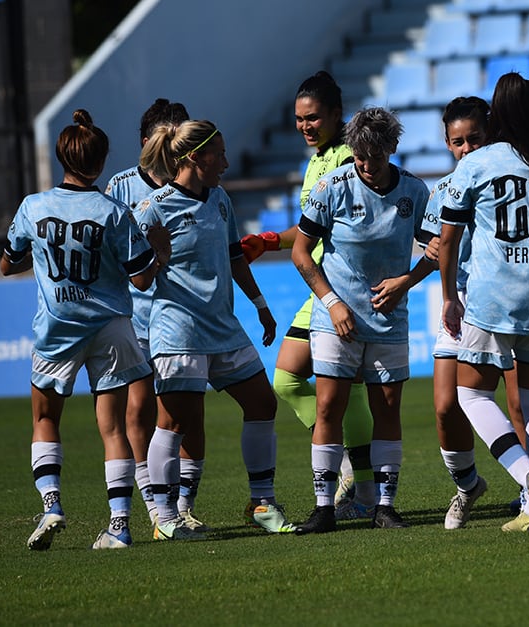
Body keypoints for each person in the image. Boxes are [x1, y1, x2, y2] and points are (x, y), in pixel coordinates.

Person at [3, 109, 164, 550]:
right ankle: (119, 525)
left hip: (57, 327)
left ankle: (52, 504)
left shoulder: (33, 207)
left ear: (62, 157)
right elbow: (143, 278)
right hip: (110, 326)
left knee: (44, 417)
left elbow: (7, 262)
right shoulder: (113, 211)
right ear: (101, 160)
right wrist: (159, 252)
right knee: (112, 428)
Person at [136, 120, 295, 540]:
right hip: (178, 330)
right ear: (193, 158)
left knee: (263, 403)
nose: (226, 162)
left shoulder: (220, 199)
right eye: (218, 154)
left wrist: (260, 305)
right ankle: (165, 518)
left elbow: (233, 256)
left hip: (223, 326)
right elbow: (135, 277)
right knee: (173, 422)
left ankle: (261, 502)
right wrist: (154, 257)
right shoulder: (154, 208)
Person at [439, 73, 529, 532]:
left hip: (494, 295)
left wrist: (448, 297)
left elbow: (450, 238)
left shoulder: (477, 164)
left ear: (495, 115)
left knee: (472, 393)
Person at [289, 108, 436, 533]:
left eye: (374, 155)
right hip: (337, 320)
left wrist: (405, 283)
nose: (366, 165)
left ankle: (384, 506)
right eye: (359, 156)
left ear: (392, 148)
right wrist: (332, 302)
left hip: (389, 321)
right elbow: (301, 252)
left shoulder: (413, 191)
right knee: (328, 406)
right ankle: (323, 508)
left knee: (387, 409)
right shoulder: (330, 186)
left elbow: (435, 247)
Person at [239, 71, 377, 519]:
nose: (305, 126)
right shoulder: (318, 160)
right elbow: (310, 227)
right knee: (291, 380)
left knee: (332, 385)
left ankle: (361, 487)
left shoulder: (346, 159)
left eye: (313, 117)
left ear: (336, 115)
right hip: (318, 285)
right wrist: (271, 240)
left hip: (340, 285)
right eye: (299, 119)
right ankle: (350, 474)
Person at [104, 98, 205, 530]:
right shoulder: (121, 187)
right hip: (135, 318)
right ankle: (156, 507)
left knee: (189, 416)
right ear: (147, 142)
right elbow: (108, 250)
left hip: (185, 317)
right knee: (139, 412)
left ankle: (183, 506)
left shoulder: (200, 184)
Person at [420, 96, 499, 529]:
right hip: (459, 304)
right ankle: (468, 486)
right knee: (447, 407)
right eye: (457, 142)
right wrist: (429, 250)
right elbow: (431, 247)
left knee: (518, 403)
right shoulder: (443, 191)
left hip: (503, 304)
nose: (466, 149)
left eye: (474, 139)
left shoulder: (505, 181)